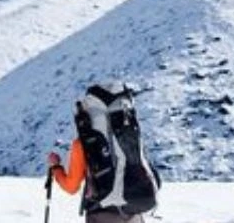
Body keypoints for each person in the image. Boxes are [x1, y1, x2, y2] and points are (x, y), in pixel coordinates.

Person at [46, 83, 160, 223]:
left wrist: (56, 167)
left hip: (101, 214)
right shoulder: (131, 134)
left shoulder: (84, 143)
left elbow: (71, 186)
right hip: (134, 209)